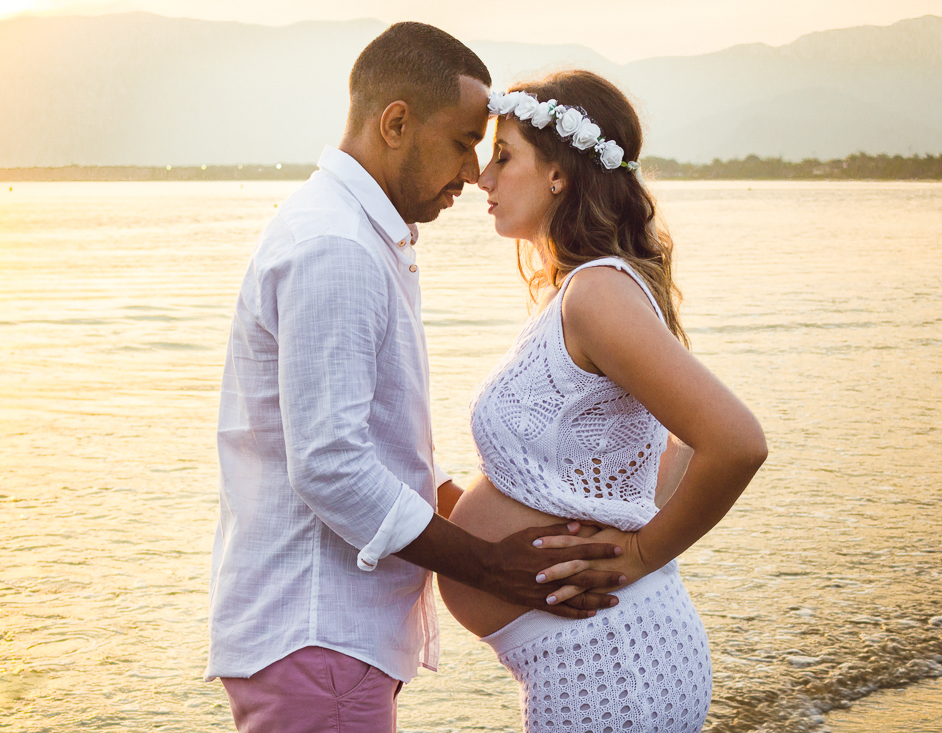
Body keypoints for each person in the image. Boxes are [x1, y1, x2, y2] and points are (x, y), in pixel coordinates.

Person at [205, 25, 631, 733]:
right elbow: (331, 467)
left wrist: (515, 524)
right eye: (464, 141)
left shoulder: (359, 235)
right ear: (396, 122)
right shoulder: (334, 248)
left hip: (330, 642)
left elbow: (379, 445)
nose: (472, 171)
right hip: (319, 632)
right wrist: (491, 564)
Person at [438, 70, 768, 733]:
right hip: (600, 655)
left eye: (504, 156)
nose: (483, 177)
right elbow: (663, 449)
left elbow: (736, 441)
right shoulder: (584, 294)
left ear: (559, 173)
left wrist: (644, 550)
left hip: (613, 665)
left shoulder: (596, 294)